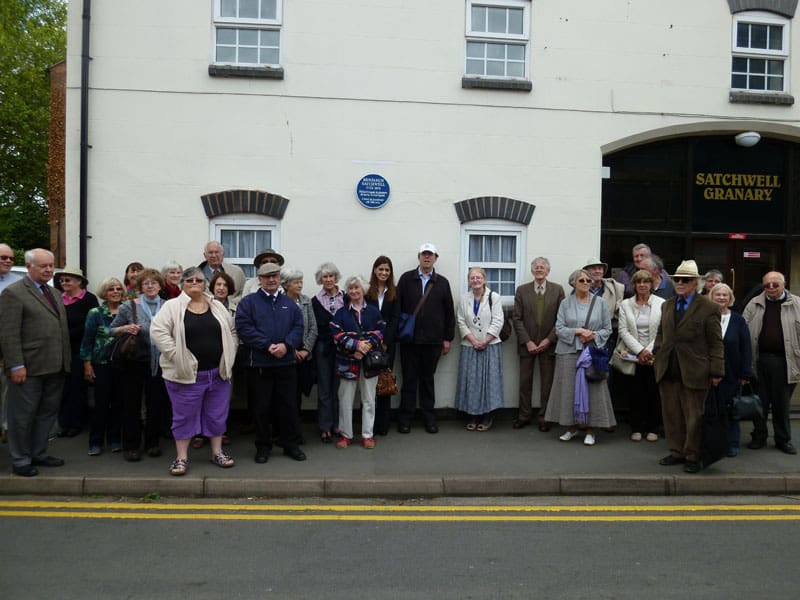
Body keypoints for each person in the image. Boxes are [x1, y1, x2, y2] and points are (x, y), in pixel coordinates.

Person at [151, 267, 238, 476]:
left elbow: (232, 331)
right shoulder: (172, 306)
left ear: (205, 283)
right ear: (182, 284)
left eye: (199, 280)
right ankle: (181, 458)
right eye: (189, 280)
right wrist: (177, 355)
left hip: (218, 374)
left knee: (217, 416)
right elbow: (158, 331)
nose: (194, 283)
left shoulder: (217, 306)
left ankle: (217, 452)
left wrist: (230, 354)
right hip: (185, 376)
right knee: (184, 417)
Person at [0, 249, 70, 476]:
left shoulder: (54, 293)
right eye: (43, 266)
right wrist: (15, 365)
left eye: (51, 265)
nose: (49, 270)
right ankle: (20, 459)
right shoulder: (14, 293)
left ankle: (39, 453)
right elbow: (8, 334)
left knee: (47, 413)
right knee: (22, 416)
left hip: (56, 366)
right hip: (28, 367)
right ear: (29, 267)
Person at [654, 260, 724, 474]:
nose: (680, 283)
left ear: (696, 283)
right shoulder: (667, 305)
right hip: (668, 369)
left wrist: (716, 371)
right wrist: (657, 352)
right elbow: (660, 334)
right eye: (677, 280)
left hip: (695, 371)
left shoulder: (709, 307)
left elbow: (715, 342)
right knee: (671, 414)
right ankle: (676, 451)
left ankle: (693, 455)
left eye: (686, 280)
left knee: (693, 416)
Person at [235, 262, 307, 463]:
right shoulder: (248, 303)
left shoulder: (289, 303)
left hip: (286, 364)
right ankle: (263, 447)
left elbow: (298, 326)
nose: (271, 279)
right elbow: (244, 328)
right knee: (261, 408)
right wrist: (267, 345)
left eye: (275, 275)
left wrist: (287, 345)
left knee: (288, 406)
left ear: (279, 278)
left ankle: (290, 445)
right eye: (267, 276)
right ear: (260, 279)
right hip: (259, 364)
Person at [544, 269, 616, 446]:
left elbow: (608, 329)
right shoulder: (565, 303)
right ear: (573, 283)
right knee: (568, 390)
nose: (586, 283)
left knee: (593, 391)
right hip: (568, 352)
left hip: (591, 353)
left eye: (588, 281)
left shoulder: (600, 303)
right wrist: (578, 331)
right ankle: (572, 427)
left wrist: (592, 335)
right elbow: (559, 328)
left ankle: (590, 429)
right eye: (582, 280)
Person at [109, 268, 170, 462]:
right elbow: (110, 330)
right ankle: (132, 446)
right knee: (132, 405)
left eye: (154, 283)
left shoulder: (169, 306)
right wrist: (126, 328)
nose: (150, 286)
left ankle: (152, 443)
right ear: (140, 287)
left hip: (161, 362)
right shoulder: (129, 306)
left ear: (160, 286)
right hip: (135, 361)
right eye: (146, 283)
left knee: (156, 404)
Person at [396, 243, 455, 434]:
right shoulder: (406, 279)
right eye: (424, 254)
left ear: (436, 258)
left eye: (430, 255)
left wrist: (447, 338)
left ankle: (429, 418)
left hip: (433, 341)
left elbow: (449, 312)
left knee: (428, 381)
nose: (427, 258)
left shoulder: (442, 282)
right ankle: (405, 419)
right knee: (409, 380)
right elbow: (397, 309)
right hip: (410, 341)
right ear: (419, 257)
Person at [742, 271, 800, 455]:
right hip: (759, 361)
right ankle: (759, 436)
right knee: (760, 402)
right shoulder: (754, 304)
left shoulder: (797, 304)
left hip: (786, 362)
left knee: (781, 404)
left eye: (776, 284)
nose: (772, 287)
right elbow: (744, 331)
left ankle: (783, 440)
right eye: (767, 284)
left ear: (784, 284)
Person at [331, 275, 385, 449]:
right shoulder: (341, 313)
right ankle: (346, 435)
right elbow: (336, 335)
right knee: (345, 399)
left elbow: (381, 330)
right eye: (351, 288)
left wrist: (365, 348)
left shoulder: (373, 311)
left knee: (369, 399)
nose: (354, 291)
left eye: (357, 288)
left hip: (369, 363)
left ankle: (367, 435)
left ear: (363, 290)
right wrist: (355, 346)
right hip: (347, 362)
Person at [512, 257, 565, 432]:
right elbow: (517, 318)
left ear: (548, 271)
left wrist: (548, 340)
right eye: (536, 267)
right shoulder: (522, 290)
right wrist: (527, 341)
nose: (539, 269)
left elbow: (561, 319)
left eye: (543, 267)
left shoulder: (557, 290)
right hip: (527, 345)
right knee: (525, 382)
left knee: (547, 383)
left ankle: (545, 416)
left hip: (549, 344)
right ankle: (524, 416)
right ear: (532, 271)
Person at [614, 269, 664, 443]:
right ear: (634, 285)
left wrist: (648, 351)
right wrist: (639, 351)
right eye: (639, 282)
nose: (642, 285)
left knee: (654, 392)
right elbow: (623, 331)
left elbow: (662, 331)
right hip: (632, 355)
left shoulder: (661, 303)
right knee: (634, 393)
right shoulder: (626, 304)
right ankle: (636, 427)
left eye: (646, 282)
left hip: (654, 355)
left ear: (651, 284)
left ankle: (653, 428)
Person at [454, 267, 504, 431]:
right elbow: (461, 321)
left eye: (478, 277)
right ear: (469, 281)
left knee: (489, 381)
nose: (475, 280)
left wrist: (485, 340)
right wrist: (474, 340)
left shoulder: (494, 297)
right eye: (472, 278)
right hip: (470, 345)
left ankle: (488, 415)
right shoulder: (464, 298)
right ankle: (472, 414)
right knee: (472, 381)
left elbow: (498, 321)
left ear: (484, 279)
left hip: (490, 346)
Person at [81, 277, 125, 455]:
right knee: (100, 404)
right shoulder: (95, 313)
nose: (115, 292)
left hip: (123, 365)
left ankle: (115, 439)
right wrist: (87, 364)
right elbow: (87, 340)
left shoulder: (127, 310)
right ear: (104, 293)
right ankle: (95, 441)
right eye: (111, 289)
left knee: (118, 403)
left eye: (118, 289)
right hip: (101, 364)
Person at [55, 267, 99, 438]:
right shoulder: (58, 299)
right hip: (61, 350)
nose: (64, 283)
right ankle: (64, 423)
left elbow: (92, 325)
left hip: (80, 349)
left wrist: (66, 333)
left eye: (68, 280)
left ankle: (76, 423)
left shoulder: (89, 299)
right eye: (62, 280)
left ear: (79, 281)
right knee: (63, 388)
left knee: (77, 387)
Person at [709, 283, 752, 457]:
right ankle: (714, 443)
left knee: (731, 410)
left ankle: (733, 443)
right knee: (713, 411)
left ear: (730, 298)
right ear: (711, 297)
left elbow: (746, 348)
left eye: (724, 295)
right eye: (717, 294)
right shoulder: (705, 317)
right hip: (709, 374)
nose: (721, 298)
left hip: (732, 374)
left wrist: (745, 373)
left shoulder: (738, 320)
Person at [281, 266, 318, 441]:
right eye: (296, 282)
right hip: (286, 356)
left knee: (299, 395)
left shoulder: (306, 301)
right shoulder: (280, 302)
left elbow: (313, 328)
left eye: (301, 281)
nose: (300, 285)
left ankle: (296, 432)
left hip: (304, 357)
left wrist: (305, 350)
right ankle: (286, 433)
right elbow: (280, 330)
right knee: (287, 397)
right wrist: (292, 350)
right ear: (286, 285)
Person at [365, 255, 401, 436]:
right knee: (370, 385)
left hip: (388, 345)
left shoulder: (394, 292)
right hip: (369, 345)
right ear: (375, 270)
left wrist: (386, 341)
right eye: (381, 269)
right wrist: (372, 341)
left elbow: (395, 319)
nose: (384, 272)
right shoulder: (367, 291)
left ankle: (382, 425)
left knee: (385, 383)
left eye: (387, 270)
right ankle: (368, 425)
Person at [311, 262, 345, 443]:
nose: (329, 279)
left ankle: (337, 424)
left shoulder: (346, 298)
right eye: (325, 276)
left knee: (339, 388)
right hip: (323, 349)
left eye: (331, 276)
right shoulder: (314, 301)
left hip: (343, 349)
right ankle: (324, 426)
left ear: (336, 277)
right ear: (320, 279)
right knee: (324, 388)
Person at [0, 243, 22, 444]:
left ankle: (5, 427)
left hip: (8, 348)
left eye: (10, 258)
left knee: (7, 391)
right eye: (3, 257)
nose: (7, 261)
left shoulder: (18, 283)